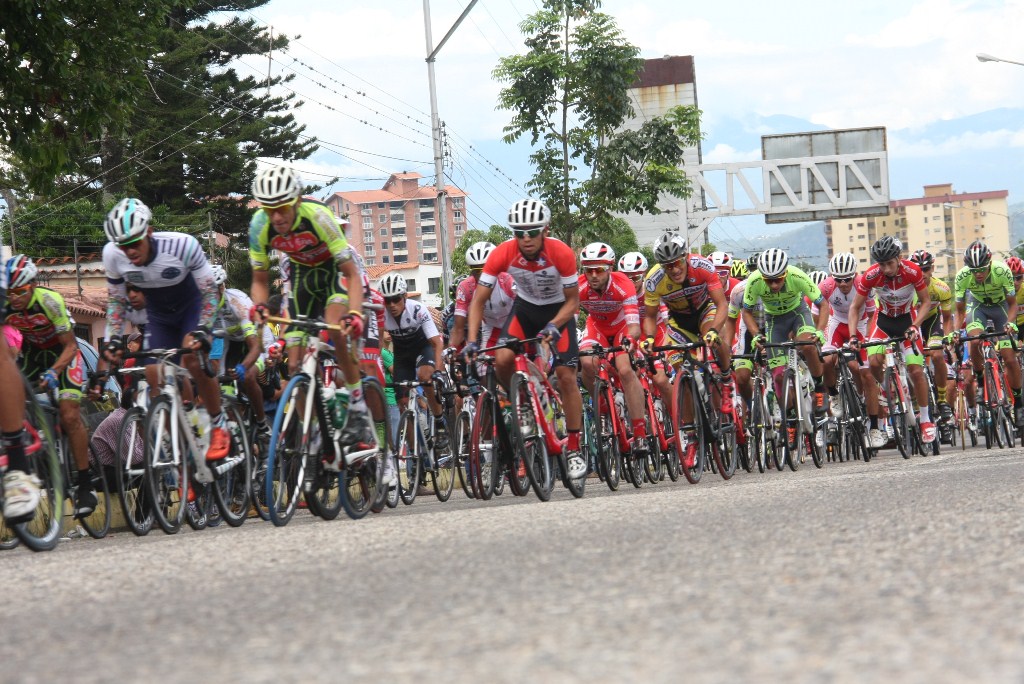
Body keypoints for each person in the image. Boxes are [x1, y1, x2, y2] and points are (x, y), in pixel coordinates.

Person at [97, 197, 229, 474]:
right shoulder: (112, 255)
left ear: (148, 231)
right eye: (123, 245)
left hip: (191, 307)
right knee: (155, 376)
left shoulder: (182, 245)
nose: (129, 251)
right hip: (159, 317)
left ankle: (218, 424)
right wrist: (112, 339)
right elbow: (116, 303)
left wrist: (204, 329)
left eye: (134, 242)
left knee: (192, 357)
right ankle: (178, 454)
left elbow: (207, 293)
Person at [247, 166, 372, 452]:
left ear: (297, 201)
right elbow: (259, 280)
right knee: (293, 366)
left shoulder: (318, 217)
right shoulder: (258, 225)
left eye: (282, 208)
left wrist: (353, 314)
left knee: (336, 330)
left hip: (333, 277)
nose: (276, 216)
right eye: (269, 209)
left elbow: (351, 274)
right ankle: (311, 433)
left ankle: (357, 404)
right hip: (302, 280)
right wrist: (260, 307)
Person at [464, 199, 586, 479]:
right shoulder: (503, 253)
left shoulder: (561, 252)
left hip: (559, 311)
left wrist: (555, 325)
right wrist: (472, 341)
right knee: (502, 358)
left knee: (567, 375)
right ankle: (522, 403)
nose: (526, 238)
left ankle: (575, 447)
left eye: (532, 231)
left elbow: (573, 302)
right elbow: (478, 301)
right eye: (519, 233)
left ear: (545, 230)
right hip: (527, 309)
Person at [4, 255, 97, 517]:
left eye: (20, 292)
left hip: (64, 354)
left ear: (32, 285)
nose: (15, 298)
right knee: (10, 401)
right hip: (33, 353)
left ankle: (85, 484)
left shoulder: (49, 301)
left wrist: (55, 372)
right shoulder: (7, 304)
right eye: (10, 293)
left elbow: (71, 345)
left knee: (69, 414)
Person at [642, 234, 732, 468]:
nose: (673, 269)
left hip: (705, 312)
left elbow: (722, 304)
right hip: (679, 323)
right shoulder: (653, 280)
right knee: (683, 374)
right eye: (667, 265)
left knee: (716, 338)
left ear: (685, 257)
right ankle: (691, 437)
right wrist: (650, 338)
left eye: (677, 262)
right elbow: (650, 317)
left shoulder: (702, 266)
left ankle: (725, 379)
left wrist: (713, 330)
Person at [847, 236, 935, 443]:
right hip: (883, 321)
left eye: (890, 263)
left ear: (899, 258)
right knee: (874, 362)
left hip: (907, 320)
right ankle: (887, 389)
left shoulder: (912, 271)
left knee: (916, 370)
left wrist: (915, 326)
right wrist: (852, 335)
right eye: (881, 264)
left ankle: (925, 420)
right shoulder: (871, 275)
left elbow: (925, 302)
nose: (886, 269)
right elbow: (854, 307)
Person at [742, 248, 829, 444]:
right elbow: (746, 312)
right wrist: (756, 335)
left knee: (806, 345)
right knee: (779, 375)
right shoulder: (755, 281)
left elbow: (823, 304)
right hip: (774, 321)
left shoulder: (797, 276)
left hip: (798, 314)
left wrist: (820, 331)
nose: (773, 285)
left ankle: (820, 386)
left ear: (785, 274)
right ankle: (789, 420)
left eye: (778, 280)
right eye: (769, 281)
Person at [577, 242, 648, 455]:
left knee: (625, 368)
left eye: (599, 269)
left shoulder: (623, 284)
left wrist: (629, 340)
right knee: (586, 362)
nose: (593, 275)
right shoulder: (579, 286)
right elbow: (570, 320)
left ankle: (640, 434)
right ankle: (604, 406)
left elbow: (634, 326)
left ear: (609, 269)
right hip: (596, 327)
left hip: (622, 328)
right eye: (589, 270)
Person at [952, 239, 1023, 427]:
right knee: (974, 340)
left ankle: (1018, 402)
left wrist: (1009, 324)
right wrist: (956, 332)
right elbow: (959, 311)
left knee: (1009, 358)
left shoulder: (1002, 271)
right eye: (974, 271)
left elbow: (1013, 304)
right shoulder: (962, 276)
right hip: (978, 307)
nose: (978, 274)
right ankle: (981, 378)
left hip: (1001, 308)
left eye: (982, 269)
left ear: (990, 263)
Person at [817, 252, 878, 438]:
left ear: (854, 275)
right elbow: (817, 313)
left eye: (847, 279)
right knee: (826, 360)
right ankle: (834, 394)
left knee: (859, 368)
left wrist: (866, 338)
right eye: (838, 279)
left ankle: (860, 397)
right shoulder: (826, 286)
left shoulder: (863, 284)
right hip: (835, 324)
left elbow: (872, 315)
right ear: (832, 277)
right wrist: (819, 333)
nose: (843, 284)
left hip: (859, 324)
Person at [209, 264, 269, 436]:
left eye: (213, 291)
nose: (209, 297)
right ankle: (235, 435)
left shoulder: (237, 303)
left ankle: (262, 425)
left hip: (258, 339)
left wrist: (243, 366)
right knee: (220, 384)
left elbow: (255, 346)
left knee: (249, 376)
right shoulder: (204, 308)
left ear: (222, 287)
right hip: (230, 340)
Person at [909, 249, 954, 421]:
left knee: (936, 354)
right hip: (912, 323)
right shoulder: (908, 290)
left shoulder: (941, 288)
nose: (922, 274)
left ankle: (942, 399)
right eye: (918, 270)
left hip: (931, 321)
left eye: (926, 269)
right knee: (912, 364)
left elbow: (948, 318)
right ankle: (914, 402)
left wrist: (948, 338)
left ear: (932, 268)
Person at [449, 242, 515, 351]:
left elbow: (524, 307)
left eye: (485, 269)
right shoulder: (466, 287)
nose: (481, 275)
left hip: (515, 324)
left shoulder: (507, 280)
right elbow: (459, 328)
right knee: (483, 366)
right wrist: (452, 349)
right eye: (475, 270)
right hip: (491, 327)